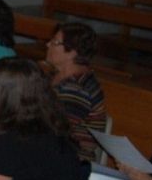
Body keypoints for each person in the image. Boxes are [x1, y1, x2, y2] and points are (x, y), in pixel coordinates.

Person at [45, 22, 106, 162]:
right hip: (52, 151)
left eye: (54, 42)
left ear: (72, 51)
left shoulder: (77, 89)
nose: (48, 45)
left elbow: (57, 133)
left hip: (70, 160)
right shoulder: (54, 76)